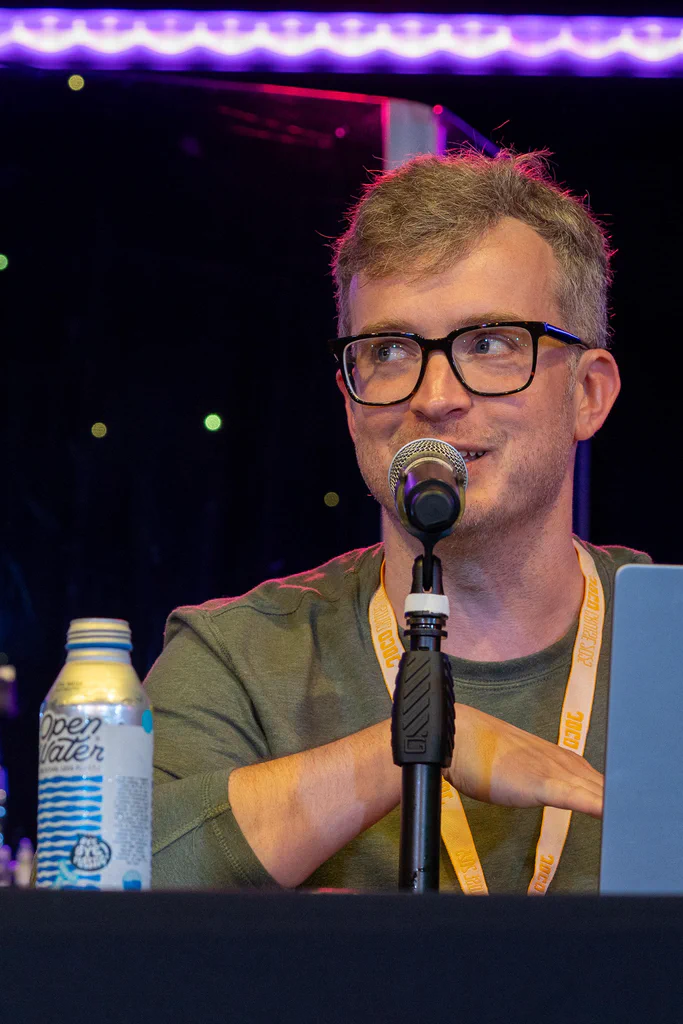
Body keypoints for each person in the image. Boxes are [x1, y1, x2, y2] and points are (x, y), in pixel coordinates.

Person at [146, 149, 648, 894]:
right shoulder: (238, 655)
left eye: (488, 344)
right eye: (388, 350)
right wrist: (402, 751)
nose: (436, 396)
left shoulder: (666, 638)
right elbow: (106, 886)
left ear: (588, 393)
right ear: (351, 402)